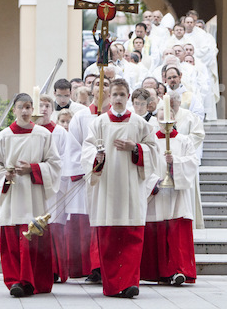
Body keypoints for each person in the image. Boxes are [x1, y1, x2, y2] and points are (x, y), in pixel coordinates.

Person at [81, 78, 158, 298]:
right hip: (106, 187)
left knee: (132, 236)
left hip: (131, 186)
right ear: (109, 97)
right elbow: (86, 152)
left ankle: (130, 283)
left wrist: (136, 148)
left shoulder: (139, 124)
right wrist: (96, 158)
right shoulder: (98, 123)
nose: (117, 99)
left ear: (128, 97)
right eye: (114, 94)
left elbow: (154, 151)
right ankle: (114, 285)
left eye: (122, 95)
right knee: (108, 239)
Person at [0, 93, 62, 298]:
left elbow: (55, 165)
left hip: (34, 196)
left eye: (28, 107)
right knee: (13, 241)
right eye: (21, 107)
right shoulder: (3, 137)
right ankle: (16, 281)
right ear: (14, 110)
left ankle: (34, 281)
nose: (25, 111)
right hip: (13, 197)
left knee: (33, 239)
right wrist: (5, 175)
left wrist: (33, 169)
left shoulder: (43, 135)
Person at [140, 109, 198, 285]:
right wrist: (153, 183)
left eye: (168, 117)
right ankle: (157, 272)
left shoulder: (184, 140)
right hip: (156, 192)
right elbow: (142, 165)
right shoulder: (150, 142)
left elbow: (193, 163)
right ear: (156, 120)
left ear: (174, 119)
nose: (165, 121)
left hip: (176, 194)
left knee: (175, 231)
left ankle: (177, 270)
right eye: (161, 117)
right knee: (155, 230)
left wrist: (176, 163)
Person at [66, 76, 112, 282]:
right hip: (90, 177)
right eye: (97, 85)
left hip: (113, 179)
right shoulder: (81, 117)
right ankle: (95, 266)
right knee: (93, 223)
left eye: (106, 85)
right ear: (91, 90)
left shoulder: (118, 117)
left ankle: (109, 265)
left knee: (110, 222)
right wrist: (89, 167)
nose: (101, 89)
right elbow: (74, 147)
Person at [35, 95, 77, 284]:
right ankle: (40, 268)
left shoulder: (60, 132)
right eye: (40, 105)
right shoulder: (31, 132)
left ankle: (56, 269)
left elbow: (64, 159)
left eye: (47, 106)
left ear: (52, 110)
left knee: (54, 228)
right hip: (34, 186)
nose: (43, 109)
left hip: (54, 186)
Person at [168, 90, 205, 229]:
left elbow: (198, 134)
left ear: (179, 101)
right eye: (169, 101)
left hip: (185, 160)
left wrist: (181, 143)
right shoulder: (163, 115)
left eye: (174, 100)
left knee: (187, 196)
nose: (172, 103)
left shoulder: (189, 116)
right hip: (168, 160)